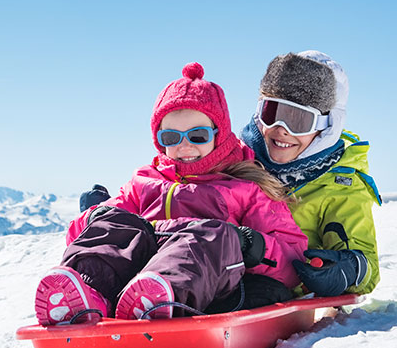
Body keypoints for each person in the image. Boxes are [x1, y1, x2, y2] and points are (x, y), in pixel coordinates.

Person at [34, 63, 308, 325]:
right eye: (171, 138)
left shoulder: (245, 188)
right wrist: (95, 215)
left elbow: (291, 261)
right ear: (159, 141)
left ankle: (158, 299)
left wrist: (251, 246)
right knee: (117, 222)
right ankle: (85, 295)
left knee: (213, 235)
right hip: (133, 279)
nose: (184, 146)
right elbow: (89, 236)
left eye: (198, 136)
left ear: (219, 134)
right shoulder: (144, 182)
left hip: (209, 289)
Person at [240, 51, 382, 296]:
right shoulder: (238, 164)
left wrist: (347, 268)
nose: (281, 130)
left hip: (277, 289)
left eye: (298, 120)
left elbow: (366, 263)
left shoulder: (340, 186)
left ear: (326, 127)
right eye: (272, 114)